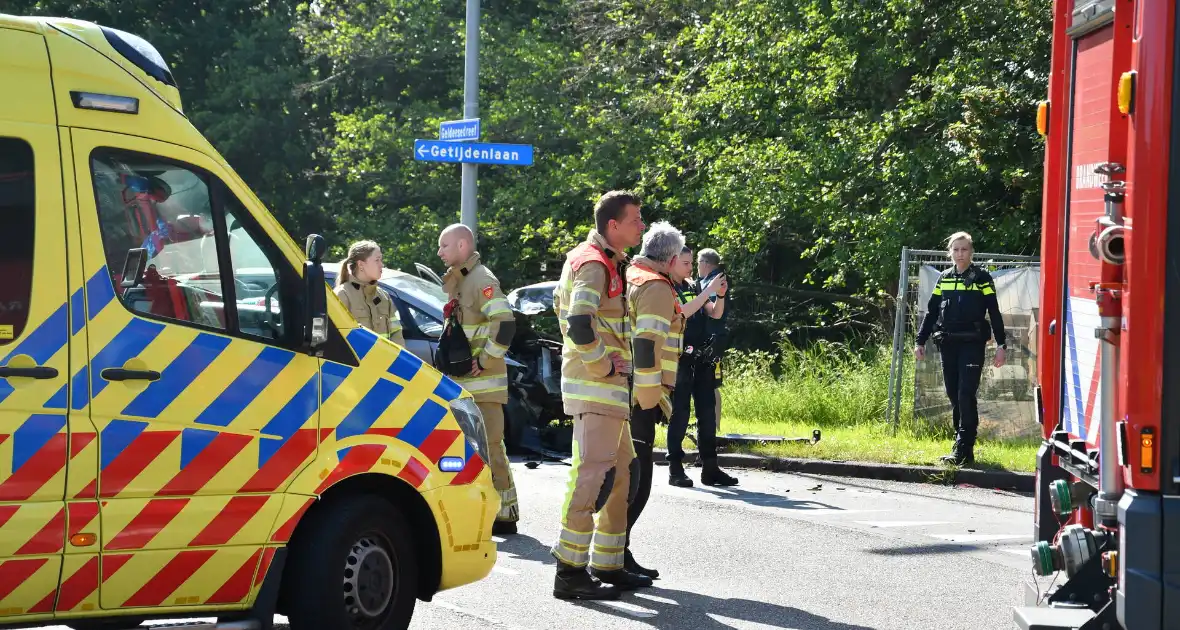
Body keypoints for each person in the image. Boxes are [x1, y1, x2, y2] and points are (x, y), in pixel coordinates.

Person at [550, 190, 650, 600]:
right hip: (597, 386)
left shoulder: (603, 259)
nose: (641, 226)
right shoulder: (594, 263)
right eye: (635, 220)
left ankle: (607, 563)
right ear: (613, 225)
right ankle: (569, 571)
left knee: (622, 471)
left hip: (606, 389)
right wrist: (606, 366)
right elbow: (578, 323)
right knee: (595, 474)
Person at [437, 224, 520, 535]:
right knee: (471, 451)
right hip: (465, 385)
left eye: (444, 246)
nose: (439, 252)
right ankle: (481, 509)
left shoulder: (481, 280)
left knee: (491, 447)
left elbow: (506, 323)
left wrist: (485, 359)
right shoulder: (462, 280)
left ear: (462, 245)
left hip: (484, 386)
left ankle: (506, 512)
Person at [623, 221, 686, 581]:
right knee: (638, 478)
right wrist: (650, 398)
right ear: (672, 257)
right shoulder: (656, 287)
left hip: (626, 389)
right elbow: (646, 345)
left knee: (623, 477)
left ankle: (614, 551)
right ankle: (617, 551)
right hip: (642, 395)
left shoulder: (629, 274)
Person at [914, 231, 1007, 466]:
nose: (960, 253)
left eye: (964, 249)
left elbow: (994, 313)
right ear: (950, 252)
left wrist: (1001, 345)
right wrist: (920, 341)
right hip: (949, 344)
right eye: (956, 249)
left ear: (971, 252)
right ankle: (961, 444)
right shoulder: (944, 278)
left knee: (966, 393)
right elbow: (932, 311)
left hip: (972, 344)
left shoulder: (982, 278)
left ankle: (964, 446)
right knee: (953, 394)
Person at [667, 247, 735, 487]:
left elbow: (714, 314)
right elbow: (684, 311)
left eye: (691, 263)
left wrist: (721, 295)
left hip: (703, 358)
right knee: (680, 414)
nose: (690, 268)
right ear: (672, 262)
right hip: (681, 359)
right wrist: (708, 289)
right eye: (686, 263)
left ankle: (710, 467)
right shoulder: (667, 287)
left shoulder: (692, 286)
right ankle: (675, 468)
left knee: (707, 413)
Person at [334, 240, 404, 346]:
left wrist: (398, 360)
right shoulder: (342, 295)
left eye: (381, 260)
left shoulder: (384, 296)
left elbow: (396, 333)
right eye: (377, 260)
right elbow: (338, 339)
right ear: (361, 265)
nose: (382, 264)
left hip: (385, 361)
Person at [697, 248, 729, 432]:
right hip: (714, 339)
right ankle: (713, 427)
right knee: (711, 383)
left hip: (712, 340)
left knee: (711, 384)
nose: (696, 267)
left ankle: (715, 428)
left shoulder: (713, 282)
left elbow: (709, 311)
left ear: (705, 264)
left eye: (697, 263)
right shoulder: (714, 280)